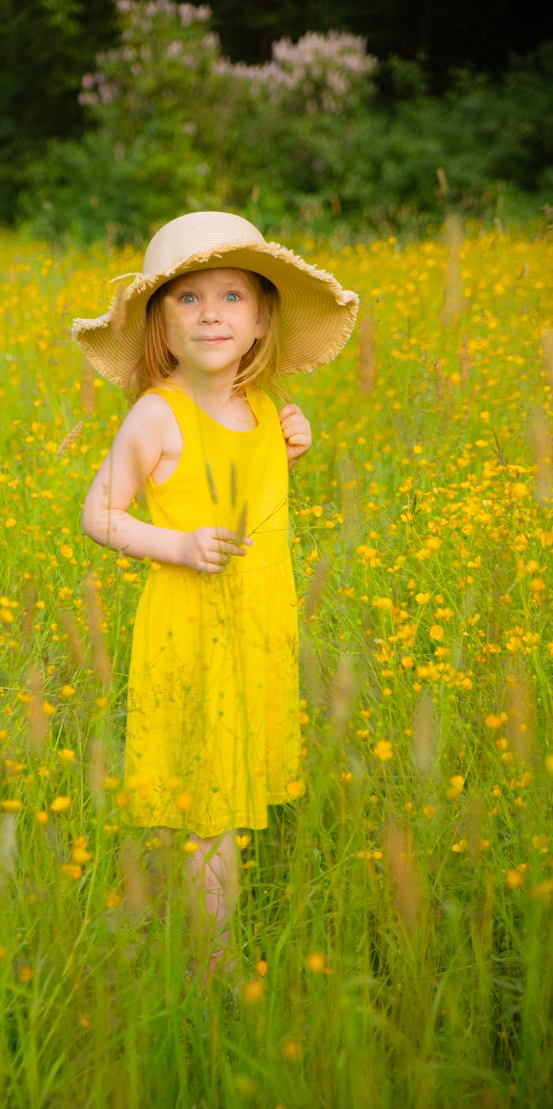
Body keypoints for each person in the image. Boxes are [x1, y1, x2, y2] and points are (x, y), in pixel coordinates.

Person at [75, 210, 358, 982]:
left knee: (216, 808)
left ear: (262, 316)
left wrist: (290, 445)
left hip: (255, 632)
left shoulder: (265, 410)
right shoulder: (155, 414)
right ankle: (215, 972)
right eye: (187, 298)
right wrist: (176, 544)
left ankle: (159, 926)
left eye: (231, 296)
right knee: (209, 813)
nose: (210, 314)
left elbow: (245, 499)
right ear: (159, 322)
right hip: (190, 633)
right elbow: (98, 512)